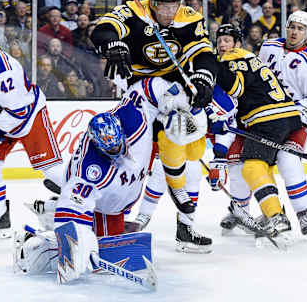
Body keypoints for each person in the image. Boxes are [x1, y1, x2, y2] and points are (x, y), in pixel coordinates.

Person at [15, 76, 195, 280]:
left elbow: (147, 89)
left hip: (116, 198)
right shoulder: (90, 170)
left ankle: (48, 209)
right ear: (98, 146)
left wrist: (177, 99)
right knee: (99, 252)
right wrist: (78, 246)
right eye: (109, 149)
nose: (117, 152)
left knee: (107, 247)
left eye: (118, 145)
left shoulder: (133, 118)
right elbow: (71, 208)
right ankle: (31, 247)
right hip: (101, 202)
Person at [90, 0, 217, 249]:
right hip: (141, 95)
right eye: (164, 6)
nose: (170, 12)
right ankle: (110, 216)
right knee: (135, 163)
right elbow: (102, 30)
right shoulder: (133, 10)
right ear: (152, 2)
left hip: (177, 95)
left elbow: (205, 55)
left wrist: (204, 77)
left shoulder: (189, 17)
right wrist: (113, 44)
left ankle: (186, 227)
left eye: (175, 5)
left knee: (193, 164)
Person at [0, 22, 64, 240]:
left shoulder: (2, 71)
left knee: (52, 171)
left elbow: (18, 112)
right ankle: (0, 220)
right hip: (5, 118)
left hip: (29, 117)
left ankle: (85, 200)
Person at [214, 23, 304, 243]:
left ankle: (277, 217)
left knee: (252, 166)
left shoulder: (231, 59)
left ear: (237, 44)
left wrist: (213, 71)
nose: (223, 45)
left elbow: (236, 89)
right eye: (219, 41)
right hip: (287, 116)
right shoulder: (250, 57)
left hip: (268, 119)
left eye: (228, 40)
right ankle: (271, 210)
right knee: (262, 165)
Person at [256, 11, 307, 237]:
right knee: (253, 165)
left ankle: (303, 213)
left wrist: (297, 113)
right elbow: (256, 77)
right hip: (263, 119)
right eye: (292, 26)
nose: (295, 32)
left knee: (289, 163)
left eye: (300, 29)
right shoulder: (269, 47)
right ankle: (257, 211)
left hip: (293, 124)